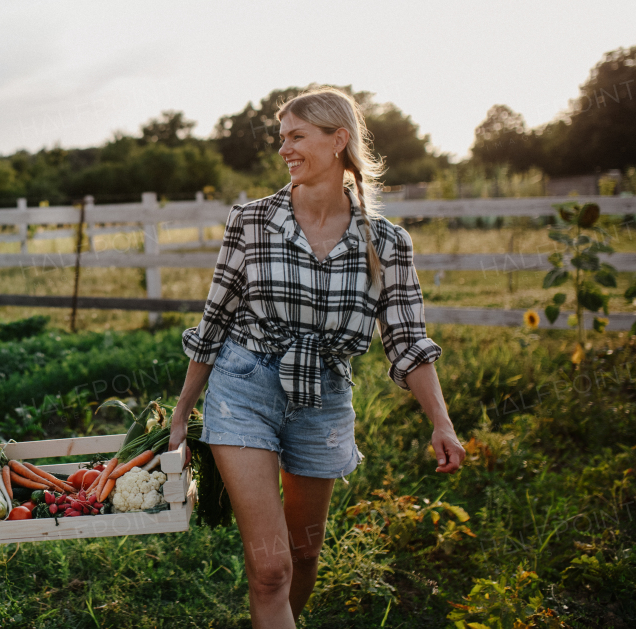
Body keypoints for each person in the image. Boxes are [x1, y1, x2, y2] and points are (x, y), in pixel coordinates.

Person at [168, 88, 465, 629]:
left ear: (339, 140)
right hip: (245, 387)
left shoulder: (387, 243)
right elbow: (214, 318)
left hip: (323, 399)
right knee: (272, 568)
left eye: (297, 136)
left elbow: (407, 340)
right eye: (282, 138)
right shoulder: (252, 223)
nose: (285, 149)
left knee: (304, 556)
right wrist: (182, 410)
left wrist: (441, 423)